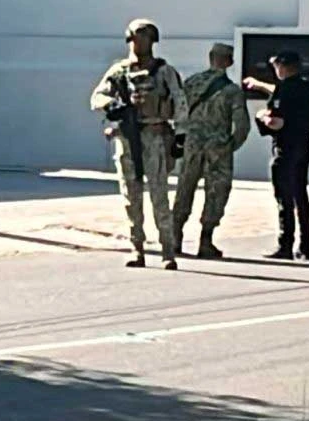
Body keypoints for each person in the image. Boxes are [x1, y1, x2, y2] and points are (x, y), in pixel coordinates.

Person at [90, 19, 188, 270]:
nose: (140, 42)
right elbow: (97, 97)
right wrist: (115, 106)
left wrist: (180, 136)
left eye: (146, 37)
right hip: (128, 137)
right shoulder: (119, 71)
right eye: (137, 37)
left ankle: (167, 250)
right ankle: (137, 248)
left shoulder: (164, 71)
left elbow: (180, 102)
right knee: (130, 196)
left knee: (159, 195)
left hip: (155, 135)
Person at [170, 42, 250, 258]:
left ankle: (175, 237)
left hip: (192, 146)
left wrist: (182, 138)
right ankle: (206, 240)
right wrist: (230, 146)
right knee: (217, 192)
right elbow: (242, 125)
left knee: (184, 188)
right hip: (218, 148)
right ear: (230, 62)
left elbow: (177, 111)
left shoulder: (191, 83)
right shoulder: (232, 91)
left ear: (210, 57)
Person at [243, 50, 309, 260]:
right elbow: (278, 91)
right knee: (301, 196)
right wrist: (259, 85)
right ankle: (305, 247)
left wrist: (261, 117)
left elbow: (277, 122)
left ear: (283, 67)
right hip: (303, 145)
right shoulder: (305, 87)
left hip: (286, 147)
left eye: (276, 66)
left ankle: (285, 245)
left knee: (284, 198)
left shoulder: (284, 91)